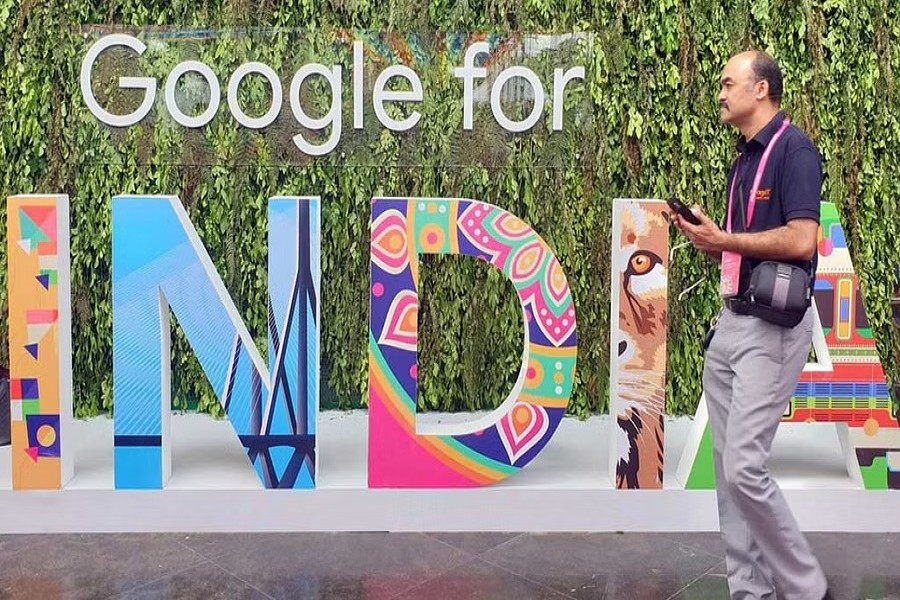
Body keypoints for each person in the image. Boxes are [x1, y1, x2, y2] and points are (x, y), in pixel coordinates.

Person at [673, 50, 833, 600]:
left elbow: (802, 239)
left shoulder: (795, 151)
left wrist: (726, 239)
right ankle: (750, 591)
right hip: (732, 323)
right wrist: (711, 238)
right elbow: (742, 245)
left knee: (743, 468)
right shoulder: (743, 160)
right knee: (728, 475)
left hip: (773, 330)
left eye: (728, 83)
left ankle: (807, 588)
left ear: (761, 89)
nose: (720, 93)